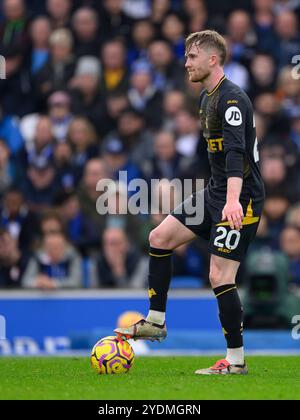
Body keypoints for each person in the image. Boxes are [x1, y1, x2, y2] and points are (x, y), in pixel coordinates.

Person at [115, 30, 265, 375]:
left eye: (191, 57)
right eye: (185, 57)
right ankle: (156, 320)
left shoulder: (231, 100)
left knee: (219, 274)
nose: (185, 63)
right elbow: (212, 159)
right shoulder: (205, 98)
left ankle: (236, 361)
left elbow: (235, 156)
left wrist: (231, 202)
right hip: (215, 191)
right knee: (159, 238)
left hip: (241, 198)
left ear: (213, 59)